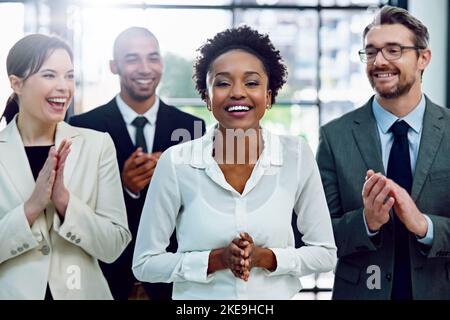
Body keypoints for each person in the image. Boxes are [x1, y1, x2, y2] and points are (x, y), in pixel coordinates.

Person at [132, 26, 337, 300]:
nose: (237, 92)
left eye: (252, 83)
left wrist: (266, 258)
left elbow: (325, 254)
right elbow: (145, 264)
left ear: (269, 95)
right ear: (206, 97)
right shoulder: (176, 162)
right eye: (222, 83)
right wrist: (216, 260)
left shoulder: (296, 156)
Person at [317, 5, 450, 300]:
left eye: (393, 50)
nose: (379, 62)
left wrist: (424, 225)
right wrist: (367, 222)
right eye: (371, 51)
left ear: (423, 58)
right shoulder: (334, 137)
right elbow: (317, 236)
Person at [69, 27, 205, 300]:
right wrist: (123, 187)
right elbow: (75, 208)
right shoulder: (83, 127)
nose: (145, 68)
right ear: (114, 66)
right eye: (132, 59)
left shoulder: (192, 128)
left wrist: (172, 181)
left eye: (153, 58)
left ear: (162, 63)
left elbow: (201, 209)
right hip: (107, 279)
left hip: (173, 283)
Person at [0, 34, 131, 299]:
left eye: (69, 76)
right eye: (49, 75)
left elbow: (114, 245)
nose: (64, 87)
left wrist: (64, 201)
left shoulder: (97, 146)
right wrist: (31, 207)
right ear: (16, 83)